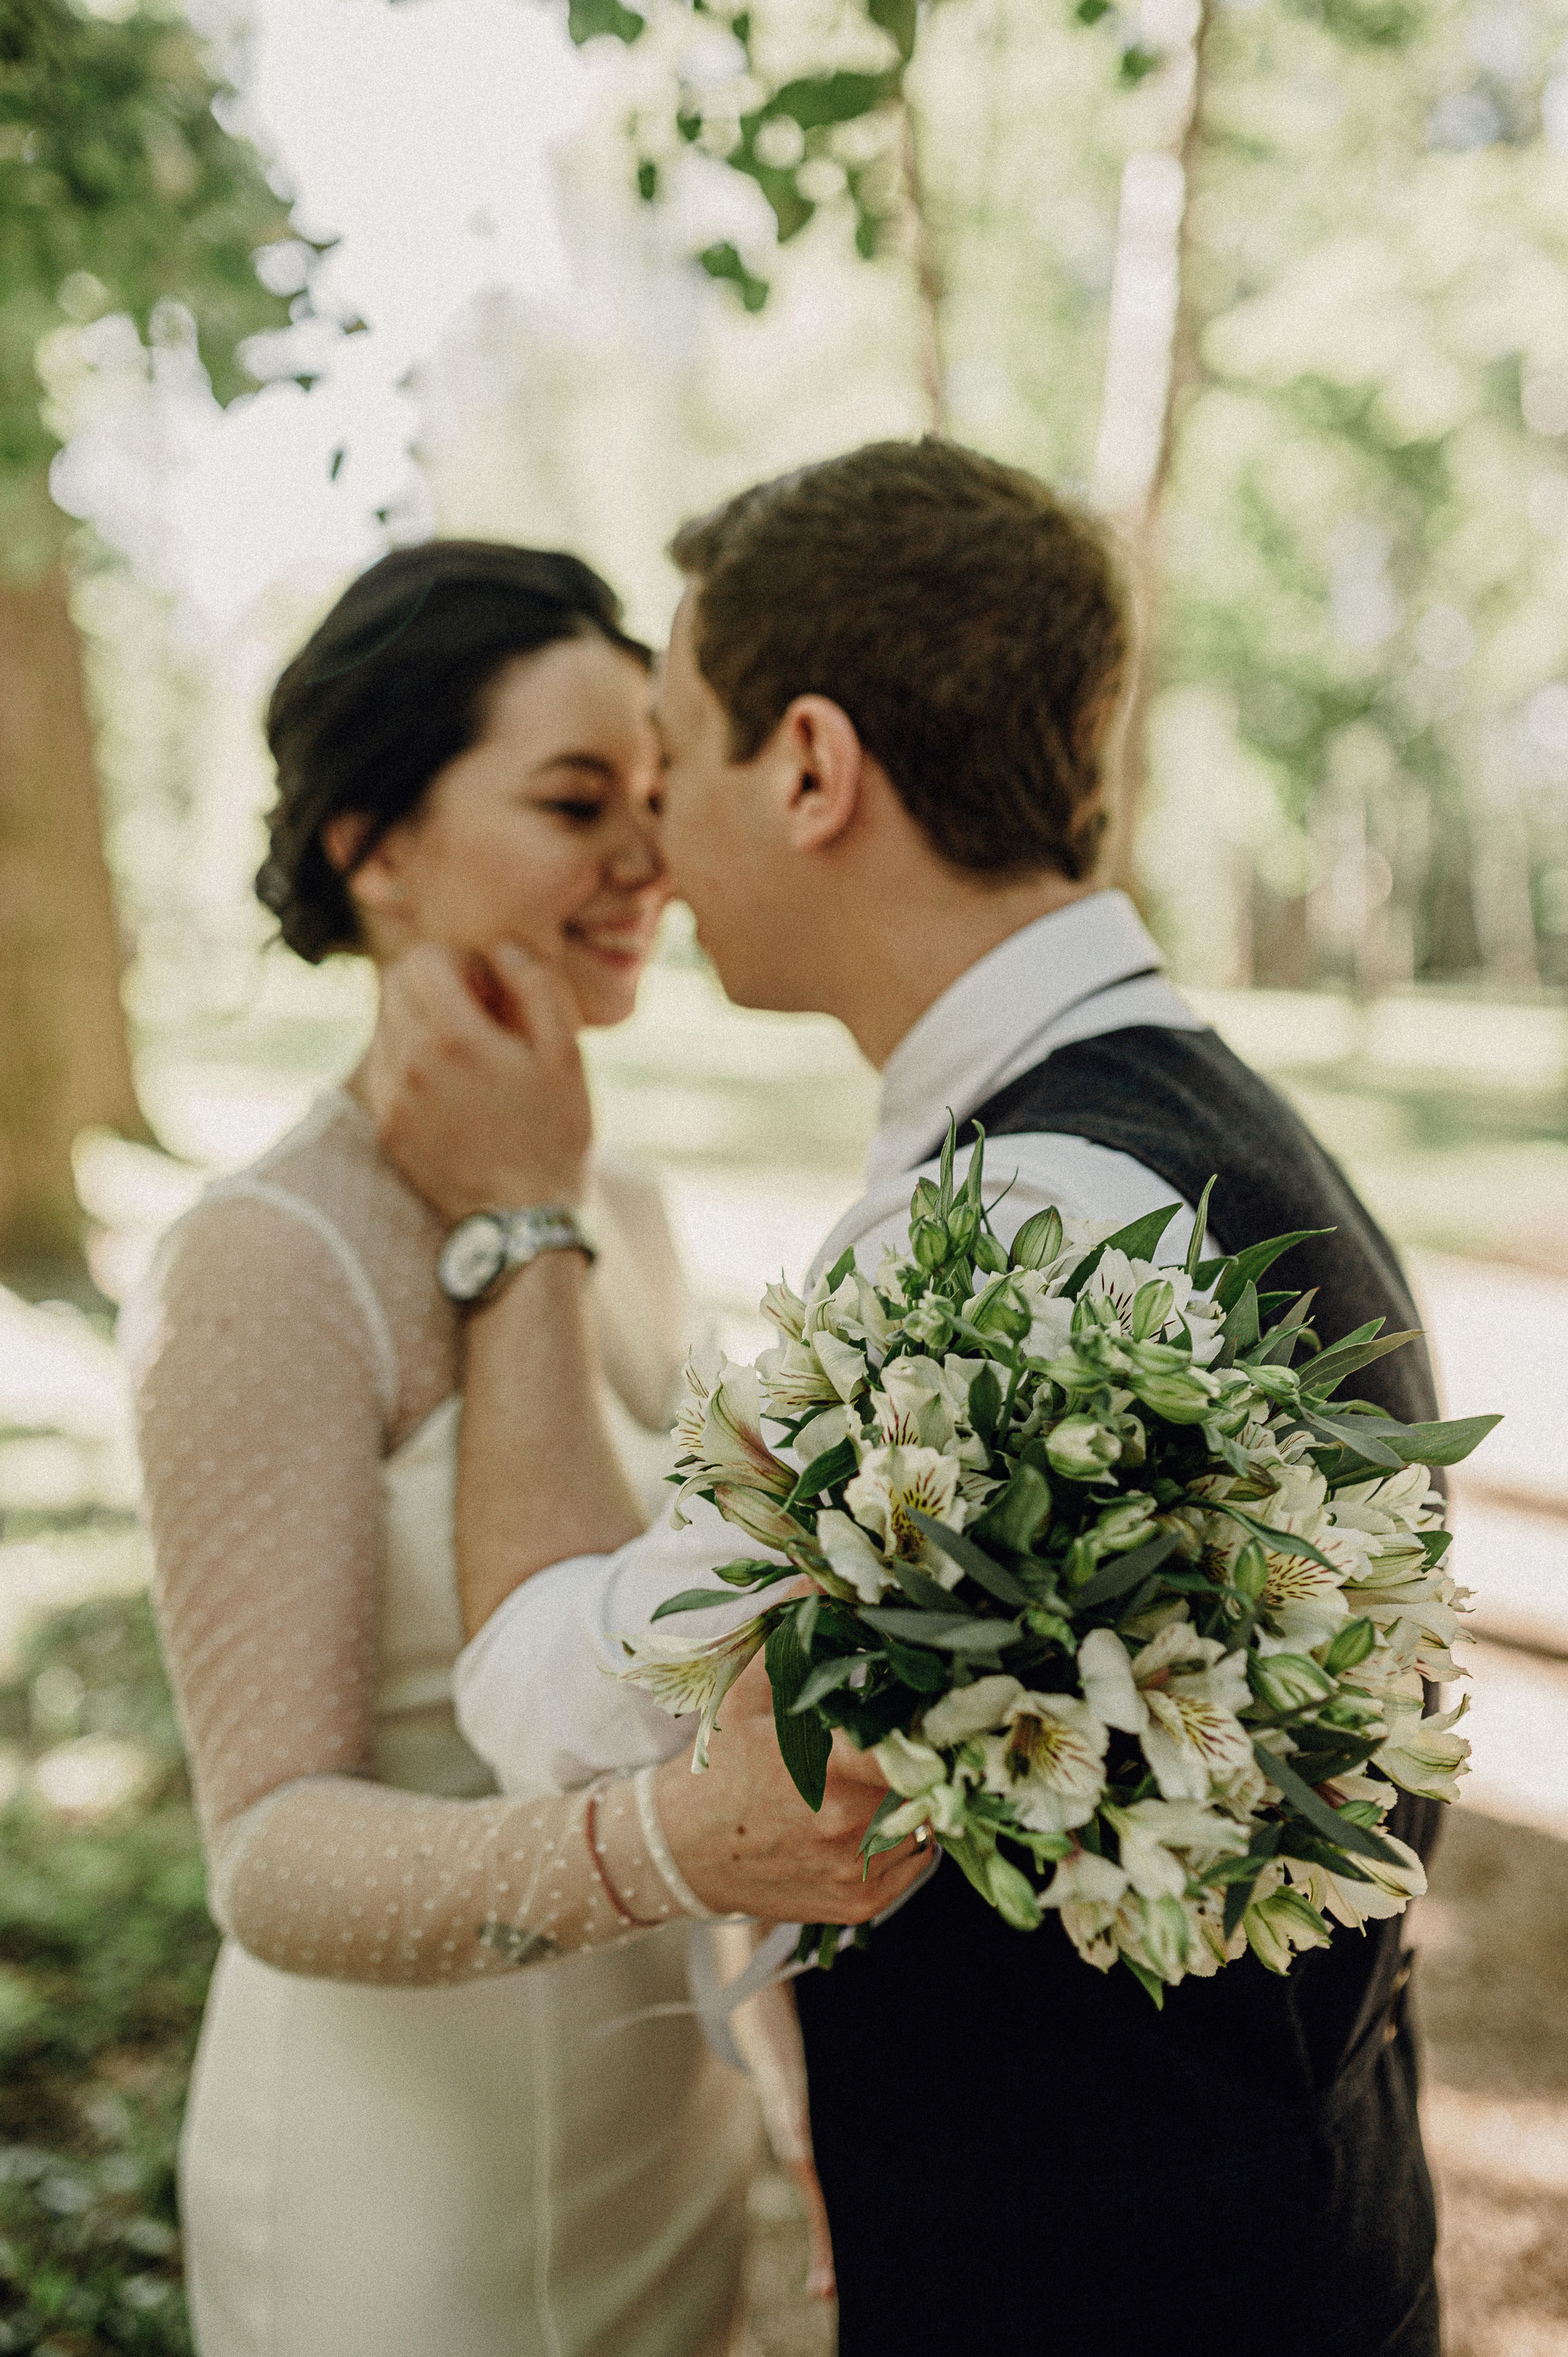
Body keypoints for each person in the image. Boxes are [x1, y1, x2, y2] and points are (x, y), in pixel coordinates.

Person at [364, 441, 1446, 2357]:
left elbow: (562, 1704)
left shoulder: (1023, 1227)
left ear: (809, 765)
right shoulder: (1197, 1121)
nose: (649, 849)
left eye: (671, 759)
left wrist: (518, 1219)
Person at [126, 540, 922, 2357]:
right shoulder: (265, 1261)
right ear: (374, 847)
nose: (653, 858)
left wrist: (794, 2087)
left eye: (655, 792)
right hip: (403, 2205)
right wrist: (666, 1850)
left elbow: (704, 1695)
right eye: (577, 804)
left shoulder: (621, 1210)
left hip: (665, 2144)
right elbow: (269, 1853)